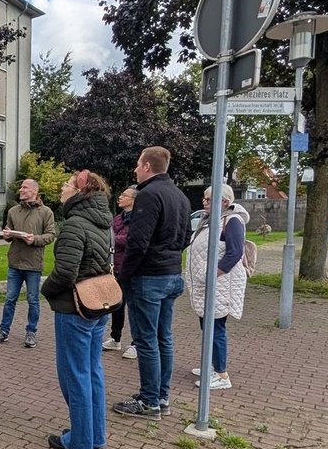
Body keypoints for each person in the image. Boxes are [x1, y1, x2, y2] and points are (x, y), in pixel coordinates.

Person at [112, 146, 191, 420]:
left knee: (146, 340)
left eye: (137, 165)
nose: (135, 169)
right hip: (172, 274)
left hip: (148, 277)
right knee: (163, 338)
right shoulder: (180, 196)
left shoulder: (148, 195)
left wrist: (124, 277)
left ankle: (149, 402)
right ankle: (161, 396)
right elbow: (185, 237)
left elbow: (138, 242)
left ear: (146, 166)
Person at [40, 170, 114, 449]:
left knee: (74, 375)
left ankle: (80, 441)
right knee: (93, 371)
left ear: (80, 192)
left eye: (68, 184)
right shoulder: (104, 222)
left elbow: (65, 272)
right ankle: (96, 435)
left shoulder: (74, 224)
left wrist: (46, 290)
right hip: (99, 304)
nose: (62, 187)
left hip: (75, 308)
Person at [186, 183, 248, 391]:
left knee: (216, 328)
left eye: (208, 199)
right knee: (208, 327)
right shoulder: (210, 220)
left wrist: (213, 275)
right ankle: (212, 366)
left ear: (224, 202)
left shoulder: (232, 221)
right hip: (208, 284)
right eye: (204, 199)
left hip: (220, 285)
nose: (204, 202)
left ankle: (222, 374)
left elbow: (235, 252)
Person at [0, 178, 56, 348]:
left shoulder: (46, 212)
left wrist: (35, 239)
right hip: (14, 263)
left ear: (34, 191)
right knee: (9, 299)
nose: (21, 190)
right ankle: (4, 331)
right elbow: (8, 231)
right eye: (21, 187)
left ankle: (31, 332)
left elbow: (50, 235)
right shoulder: (13, 211)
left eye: (25, 187)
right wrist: (6, 235)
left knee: (33, 300)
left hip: (33, 264)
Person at [103, 186, 138, 360]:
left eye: (125, 195)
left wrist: (114, 239)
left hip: (130, 268)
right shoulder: (117, 218)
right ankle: (115, 338)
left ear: (133, 199)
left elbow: (130, 239)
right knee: (117, 305)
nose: (120, 197)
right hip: (115, 267)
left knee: (133, 307)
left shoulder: (138, 219)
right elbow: (109, 234)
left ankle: (135, 343)